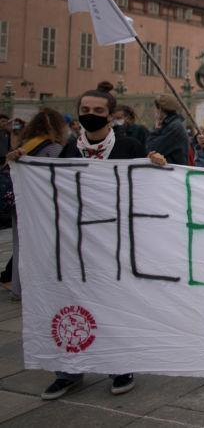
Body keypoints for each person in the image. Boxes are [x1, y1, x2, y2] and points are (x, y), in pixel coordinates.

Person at [33, 89, 166, 399]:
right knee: (69, 303)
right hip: (75, 241)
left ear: (110, 114)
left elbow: (145, 187)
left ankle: (120, 366)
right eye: (84, 108)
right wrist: (21, 165)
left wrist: (154, 164)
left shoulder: (129, 146)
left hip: (116, 240)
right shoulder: (68, 150)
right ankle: (68, 370)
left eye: (96, 109)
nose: (89, 113)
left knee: (115, 305)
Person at [4, 108, 68, 301]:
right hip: (41, 205)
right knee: (41, 247)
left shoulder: (25, 145)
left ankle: (17, 288)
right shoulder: (53, 148)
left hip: (18, 202)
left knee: (19, 244)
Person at [145, 95, 190, 165]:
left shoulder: (174, 127)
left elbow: (152, 148)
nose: (155, 111)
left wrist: (156, 129)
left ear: (160, 109)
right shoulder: (170, 125)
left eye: (156, 108)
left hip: (173, 172)